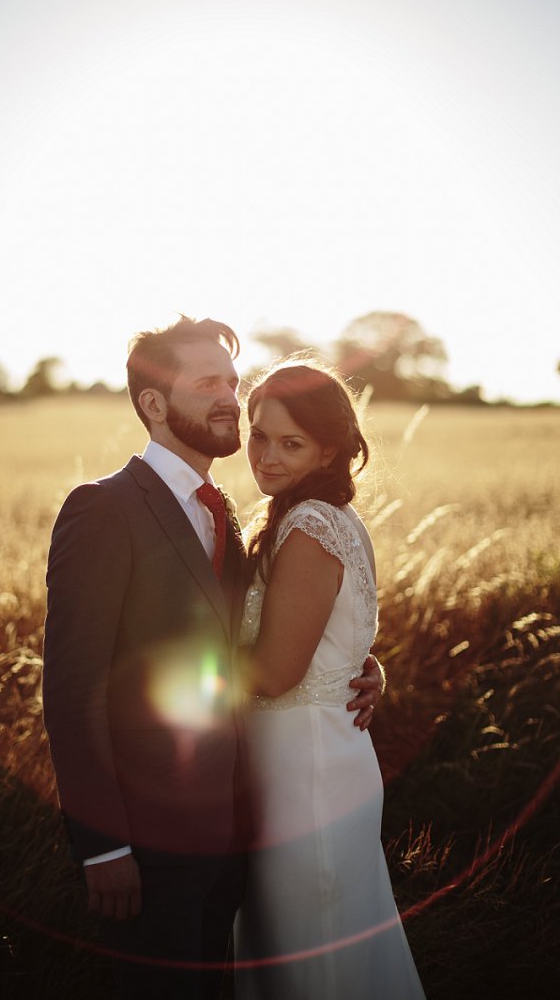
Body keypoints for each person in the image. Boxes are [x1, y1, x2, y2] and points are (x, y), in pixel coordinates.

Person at [42, 317, 384, 1000]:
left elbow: (263, 636)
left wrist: (357, 665)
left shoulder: (225, 511)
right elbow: (73, 688)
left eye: (232, 379)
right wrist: (102, 845)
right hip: (149, 836)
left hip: (240, 824)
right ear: (154, 405)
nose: (231, 396)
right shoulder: (103, 510)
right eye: (207, 383)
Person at [234, 359, 425, 999]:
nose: (266, 455)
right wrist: (367, 669)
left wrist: (166, 656)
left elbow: (279, 671)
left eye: (291, 443)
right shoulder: (312, 516)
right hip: (316, 758)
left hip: (306, 776)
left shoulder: (311, 528)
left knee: (310, 957)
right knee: (318, 944)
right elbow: (335, 644)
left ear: (330, 448)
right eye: (259, 434)